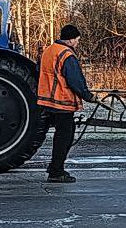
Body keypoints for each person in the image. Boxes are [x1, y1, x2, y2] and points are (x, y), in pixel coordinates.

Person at [37, 24, 94, 183]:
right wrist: (88, 95)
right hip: (61, 102)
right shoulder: (67, 54)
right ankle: (56, 171)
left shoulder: (49, 50)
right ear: (71, 39)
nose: (77, 43)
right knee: (65, 136)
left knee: (58, 133)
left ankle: (54, 166)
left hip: (46, 100)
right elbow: (75, 80)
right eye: (77, 40)